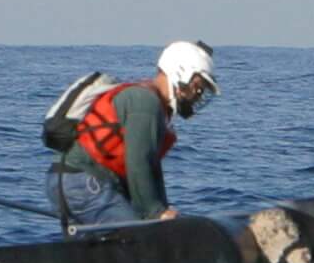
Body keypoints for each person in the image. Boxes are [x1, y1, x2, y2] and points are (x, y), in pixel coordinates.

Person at [50, 41, 217, 228]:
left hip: (72, 181)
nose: (198, 94)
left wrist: (161, 209)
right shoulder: (146, 103)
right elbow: (139, 162)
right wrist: (155, 212)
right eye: (197, 86)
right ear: (181, 72)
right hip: (81, 182)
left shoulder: (155, 106)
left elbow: (151, 168)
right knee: (138, 240)